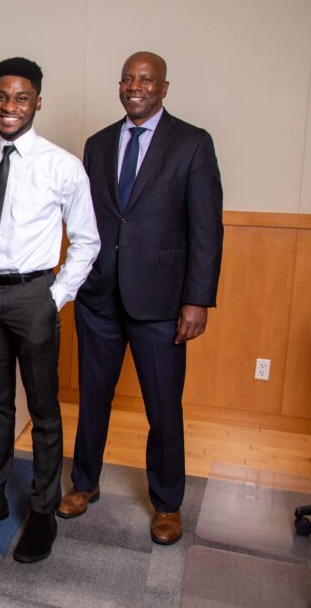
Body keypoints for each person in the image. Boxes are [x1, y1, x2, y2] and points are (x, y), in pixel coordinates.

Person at [62, 51, 223, 545]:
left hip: (162, 303)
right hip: (100, 298)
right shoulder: (98, 144)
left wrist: (197, 301)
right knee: (93, 399)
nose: (136, 86)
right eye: (128, 79)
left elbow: (206, 229)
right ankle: (83, 484)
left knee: (163, 407)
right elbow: (87, 220)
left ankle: (168, 502)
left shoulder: (193, 144)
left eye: (146, 80)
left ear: (164, 88)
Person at [0, 57, 100, 563]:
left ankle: (43, 510)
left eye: (21, 98)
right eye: (2, 96)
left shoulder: (63, 166)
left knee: (42, 411)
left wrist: (54, 297)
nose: (10, 106)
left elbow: (87, 242)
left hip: (34, 296)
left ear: (38, 102)